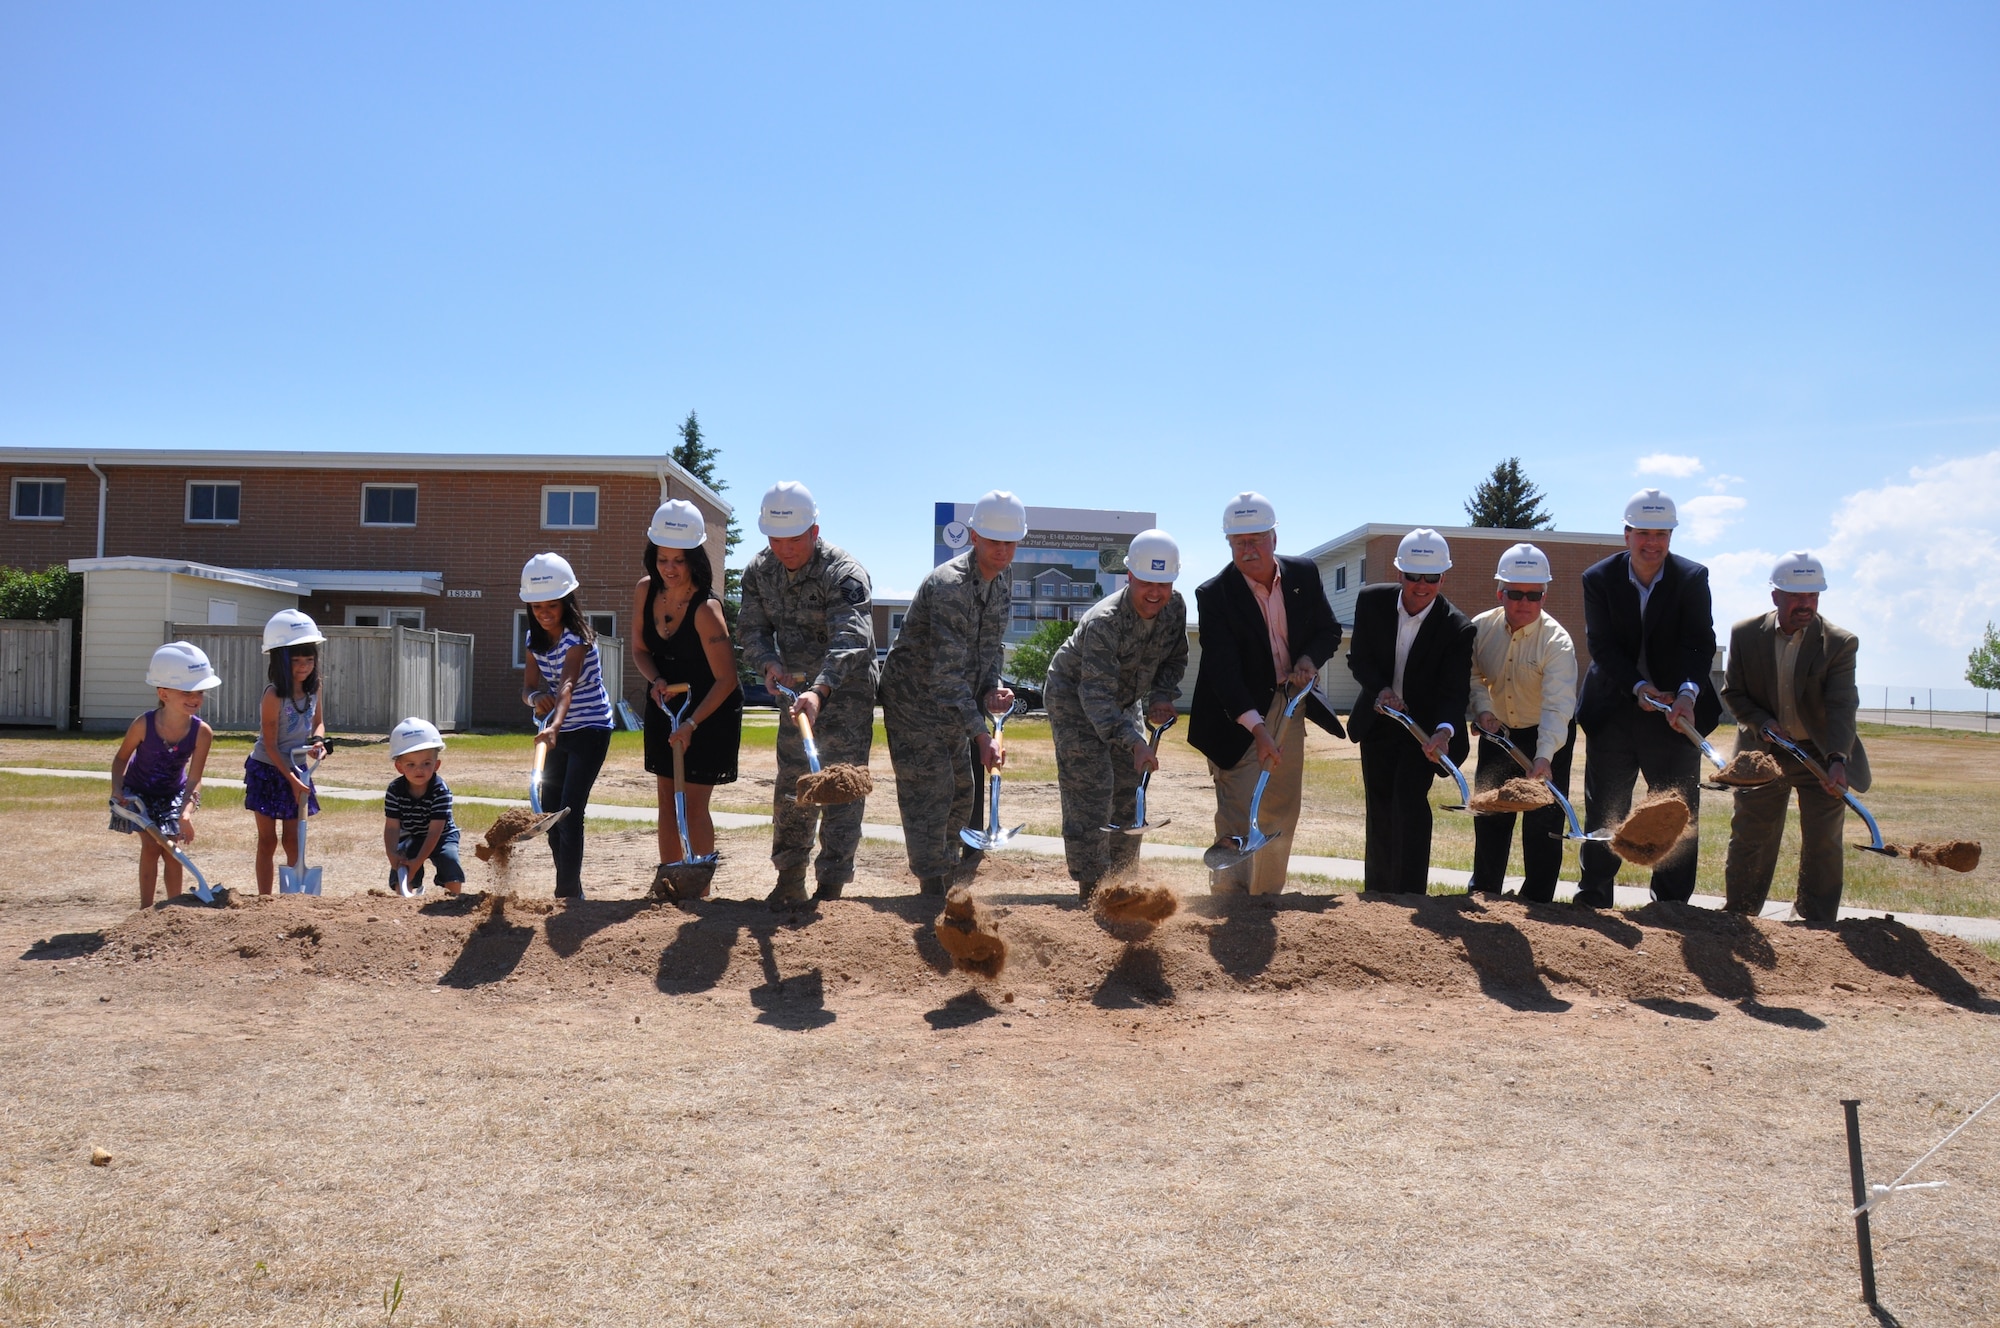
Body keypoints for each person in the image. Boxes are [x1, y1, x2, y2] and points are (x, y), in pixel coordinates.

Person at [1188, 492, 1344, 895]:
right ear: (1228, 544)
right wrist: (1257, 730)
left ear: (1274, 537)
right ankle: (1228, 901)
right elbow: (1224, 671)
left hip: (1289, 701)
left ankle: (1264, 900)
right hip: (1235, 712)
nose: (1248, 548)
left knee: (1280, 807)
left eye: (1257, 539)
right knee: (1240, 807)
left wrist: (1308, 659)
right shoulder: (1215, 595)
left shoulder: (1303, 575)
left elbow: (1328, 630)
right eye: (1239, 542)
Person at [1574, 489, 1721, 907]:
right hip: (1615, 709)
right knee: (1607, 807)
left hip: (1676, 714)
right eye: (1643, 533)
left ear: (1671, 536)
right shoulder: (1598, 579)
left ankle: (1672, 907)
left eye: (1661, 533)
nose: (1651, 543)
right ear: (1626, 534)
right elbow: (1602, 647)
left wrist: (1688, 694)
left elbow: (1699, 644)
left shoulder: (1692, 578)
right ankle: (1595, 897)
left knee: (1676, 811)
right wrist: (1638, 688)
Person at [735, 481, 875, 907]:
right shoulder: (760, 571)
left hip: (845, 693)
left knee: (843, 789)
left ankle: (831, 886)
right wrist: (767, 662)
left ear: (814, 532)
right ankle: (789, 879)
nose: (785, 549)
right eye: (775, 540)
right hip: (794, 695)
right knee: (793, 788)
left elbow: (853, 637)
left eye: (794, 540)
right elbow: (751, 630)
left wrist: (821, 689)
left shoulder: (843, 571)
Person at [880, 489, 1022, 896]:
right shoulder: (949, 586)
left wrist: (994, 687)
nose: (1002, 550)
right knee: (932, 791)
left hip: (953, 702)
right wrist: (981, 735)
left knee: (963, 789)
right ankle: (932, 886)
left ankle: (946, 873)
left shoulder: (1003, 579)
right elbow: (943, 676)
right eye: (994, 541)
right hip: (915, 701)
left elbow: (990, 645)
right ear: (974, 537)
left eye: (1010, 542)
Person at [1720, 552, 1870, 921]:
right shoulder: (1745, 634)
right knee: (1752, 835)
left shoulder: (1839, 642)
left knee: (1823, 839)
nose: (1806, 605)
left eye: (1813, 596)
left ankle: (1815, 922)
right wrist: (1762, 723)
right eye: (1796, 596)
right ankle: (1740, 917)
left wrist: (1838, 760)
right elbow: (1733, 694)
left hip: (1819, 752)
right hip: (1763, 751)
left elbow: (1841, 704)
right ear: (1776, 596)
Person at [1046, 528, 1189, 901]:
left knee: (1129, 788)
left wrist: (1160, 695)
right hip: (1074, 700)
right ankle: (1091, 889)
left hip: (1123, 701)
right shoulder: (1105, 622)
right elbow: (1095, 699)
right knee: (1091, 790)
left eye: (1164, 583)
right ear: (1129, 577)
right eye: (1146, 583)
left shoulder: (1174, 609)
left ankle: (1123, 884)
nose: (1155, 593)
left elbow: (1175, 658)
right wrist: (1135, 741)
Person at [1345, 528, 1475, 894]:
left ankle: (1411, 896)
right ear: (1398, 572)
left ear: (1442, 577)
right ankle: (1379, 896)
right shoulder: (1371, 602)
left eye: (1431, 577)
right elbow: (1360, 660)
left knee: (1409, 803)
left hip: (1423, 731)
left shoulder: (1457, 628)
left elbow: (1454, 690)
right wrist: (1381, 689)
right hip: (1378, 721)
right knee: (1381, 806)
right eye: (1413, 576)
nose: (1421, 585)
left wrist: (1444, 732)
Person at [631, 502, 742, 900]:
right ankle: (670, 881)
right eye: (662, 558)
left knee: (692, 801)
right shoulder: (645, 591)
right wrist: (657, 679)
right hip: (667, 703)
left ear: (693, 559)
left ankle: (699, 889)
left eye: (678, 560)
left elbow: (727, 678)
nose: (669, 568)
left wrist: (692, 724)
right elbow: (641, 650)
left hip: (710, 710)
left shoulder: (707, 609)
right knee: (665, 799)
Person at [1467, 543, 1578, 902]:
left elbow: (1557, 707)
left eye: (1535, 594)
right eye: (1515, 593)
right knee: (1491, 814)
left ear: (1545, 594)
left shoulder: (1557, 642)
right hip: (1497, 733)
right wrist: (1483, 711)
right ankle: (1485, 893)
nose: (1524, 602)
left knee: (1543, 823)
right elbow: (1472, 675)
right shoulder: (1480, 628)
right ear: (1500, 591)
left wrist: (1544, 756)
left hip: (1548, 736)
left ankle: (1538, 901)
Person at [521, 551, 617, 900]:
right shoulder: (533, 641)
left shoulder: (578, 639)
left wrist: (554, 725)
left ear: (566, 603)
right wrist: (535, 700)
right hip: (557, 731)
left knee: (570, 810)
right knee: (549, 815)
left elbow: (567, 685)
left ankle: (565, 894)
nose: (544, 614)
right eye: (537, 608)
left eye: (552, 606)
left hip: (590, 729)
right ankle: (571, 887)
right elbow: (529, 687)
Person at [109, 642, 220, 907]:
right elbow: (121, 758)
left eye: (200, 691)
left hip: (172, 794)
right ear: (164, 693)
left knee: (172, 850)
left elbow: (195, 779)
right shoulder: (143, 724)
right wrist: (117, 789)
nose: (195, 698)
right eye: (187, 691)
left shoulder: (202, 732)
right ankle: (145, 913)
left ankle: (174, 911)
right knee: (151, 846)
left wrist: (186, 813)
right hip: (138, 794)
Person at [245, 610, 330, 896]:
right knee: (268, 841)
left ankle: (294, 897)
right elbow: (270, 743)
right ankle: (264, 899)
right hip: (268, 769)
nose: (304, 666)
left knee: (293, 839)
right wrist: (291, 780)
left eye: (309, 659)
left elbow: (318, 721)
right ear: (280, 660)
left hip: (298, 768)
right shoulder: (273, 695)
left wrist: (317, 741)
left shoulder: (314, 688)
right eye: (296, 660)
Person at [382, 717, 466, 897]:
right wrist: (392, 855)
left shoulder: (441, 791)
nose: (419, 770)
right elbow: (391, 827)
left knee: (449, 861)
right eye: (411, 764)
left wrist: (418, 862)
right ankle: (406, 900)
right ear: (399, 767)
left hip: (442, 835)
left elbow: (435, 832)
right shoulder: (395, 790)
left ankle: (455, 901)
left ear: (437, 765)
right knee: (401, 873)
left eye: (426, 763)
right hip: (412, 835)